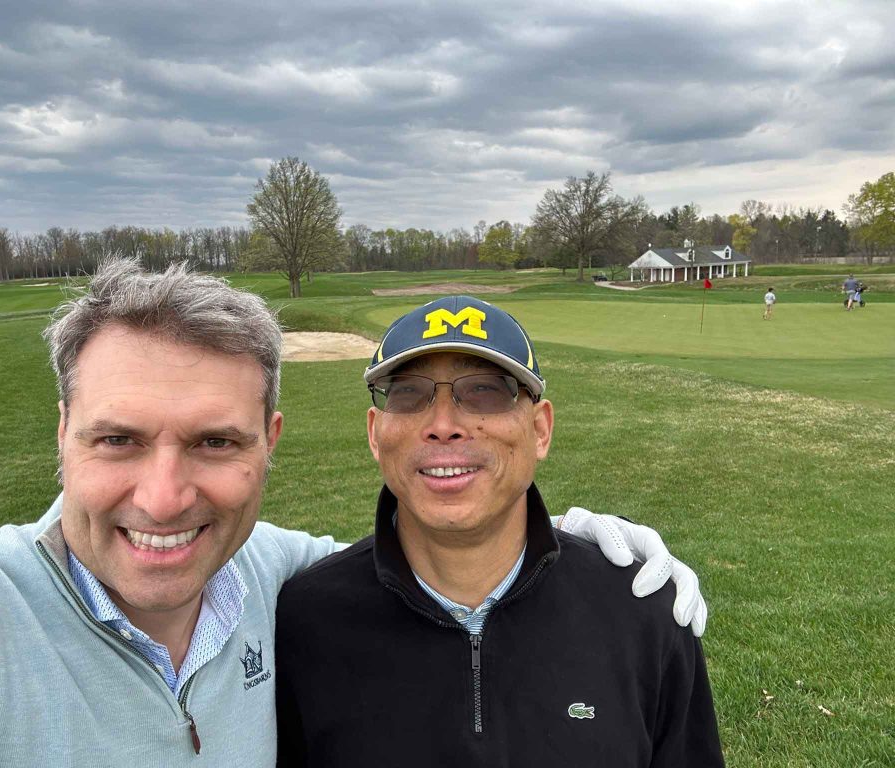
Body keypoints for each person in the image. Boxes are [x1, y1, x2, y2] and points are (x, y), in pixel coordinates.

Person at [0, 261, 707, 767]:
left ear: (269, 442)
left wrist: (580, 550)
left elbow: (437, 568)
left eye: (213, 443)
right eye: (119, 440)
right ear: (62, 435)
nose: (163, 498)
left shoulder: (277, 578)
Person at [276, 295, 725, 767]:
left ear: (540, 430)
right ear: (375, 433)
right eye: (408, 393)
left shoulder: (647, 612)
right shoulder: (304, 622)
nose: (443, 425)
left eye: (485, 391)